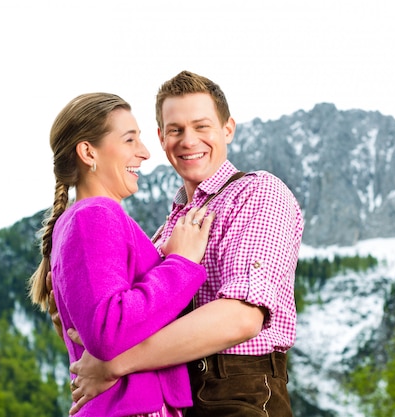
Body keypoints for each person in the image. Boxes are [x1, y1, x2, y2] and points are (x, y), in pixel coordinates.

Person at [59, 71, 304, 416]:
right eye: (176, 130)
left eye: (202, 126)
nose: (188, 141)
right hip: (176, 398)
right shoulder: (163, 234)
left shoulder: (257, 192)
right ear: (161, 138)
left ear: (227, 129)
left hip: (239, 394)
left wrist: (116, 363)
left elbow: (242, 318)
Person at [28, 92, 216, 417]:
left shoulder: (79, 220)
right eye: (130, 140)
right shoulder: (95, 215)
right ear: (88, 152)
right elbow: (108, 331)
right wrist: (180, 264)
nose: (144, 152)